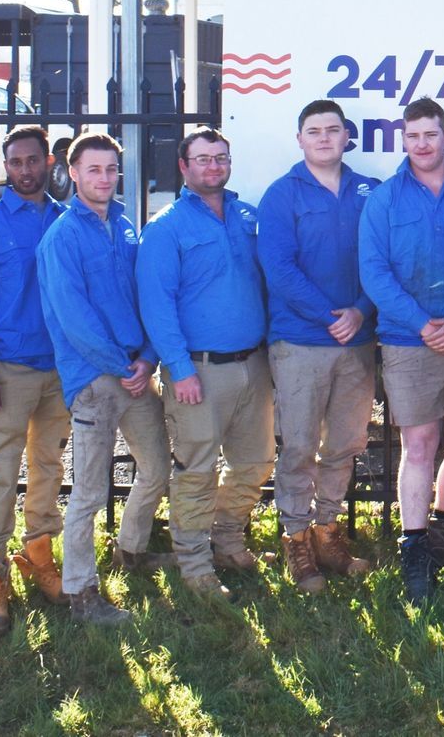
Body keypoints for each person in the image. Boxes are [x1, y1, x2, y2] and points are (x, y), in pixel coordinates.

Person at [358, 97, 444, 605]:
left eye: (430, 135)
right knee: (419, 446)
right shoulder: (385, 200)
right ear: (403, 139)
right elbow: (373, 272)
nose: (422, 144)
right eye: (412, 136)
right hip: (407, 340)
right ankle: (414, 547)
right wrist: (423, 324)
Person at [36, 133, 172, 625]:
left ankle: (131, 551)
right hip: (95, 380)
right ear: (72, 173)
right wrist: (123, 366)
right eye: (93, 170)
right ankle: (81, 593)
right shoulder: (62, 237)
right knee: (90, 493)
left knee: (157, 467)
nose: (104, 178)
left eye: (111, 169)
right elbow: (74, 320)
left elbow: (143, 297)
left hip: (136, 371)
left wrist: (147, 360)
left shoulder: (125, 225)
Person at [138, 129, 273, 603]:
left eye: (220, 158)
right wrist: (178, 369)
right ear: (184, 167)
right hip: (198, 370)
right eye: (202, 159)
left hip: (254, 365)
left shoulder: (247, 217)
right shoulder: (166, 227)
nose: (213, 166)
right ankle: (193, 563)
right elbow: (157, 306)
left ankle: (228, 539)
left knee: (256, 461)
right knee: (196, 470)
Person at [257, 100, 380, 594]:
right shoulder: (281, 195)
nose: (325, 137)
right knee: (301, 445)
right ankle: (295, 539)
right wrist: (333, 315)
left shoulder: (368, 191)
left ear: (347, 135)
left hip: (357, 338)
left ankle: (329, 533)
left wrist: (361, 310)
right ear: (300, 139)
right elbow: (279, 268)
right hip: (302, 341)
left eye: (333, 129)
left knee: (346, 443)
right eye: (314, 130)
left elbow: (382, 260)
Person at [0, 125, 69, 632]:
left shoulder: (66, 219)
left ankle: (39, 556)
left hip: (60, 369)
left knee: (48, 466)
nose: (24, 170)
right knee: (1, 474)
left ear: (48, 161)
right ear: (6, 167)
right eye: (14, 163)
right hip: (9, 369)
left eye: (31, 161)